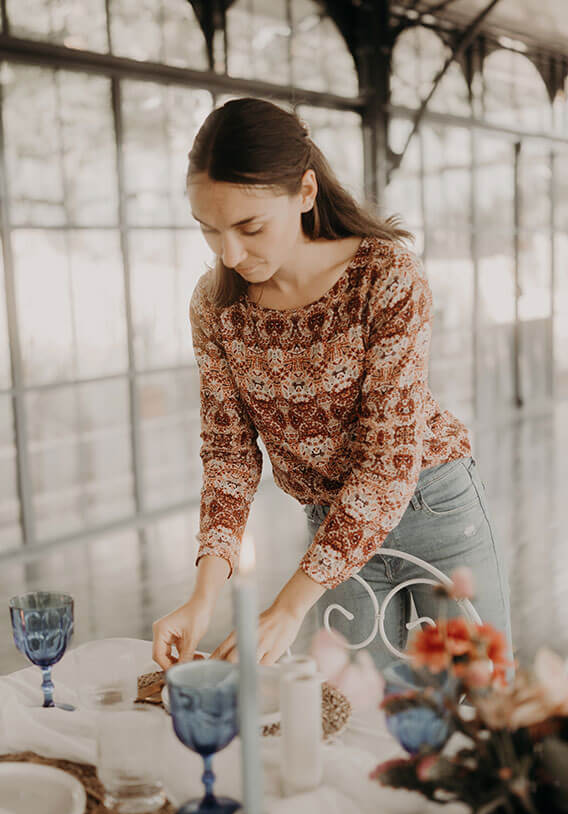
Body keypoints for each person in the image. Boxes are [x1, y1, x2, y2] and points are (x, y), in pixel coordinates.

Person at [151, 97, 511, 675]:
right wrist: (203, 597)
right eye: (210, 230)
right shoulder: (215, 307)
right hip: (328, 527)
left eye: (250, 227)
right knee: (363, 718)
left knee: (487, 705)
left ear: (306, 193)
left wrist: (289, 607)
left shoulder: (385, 277)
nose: (230, 253)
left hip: (430, 503)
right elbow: (228, 457)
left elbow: (388, 462)